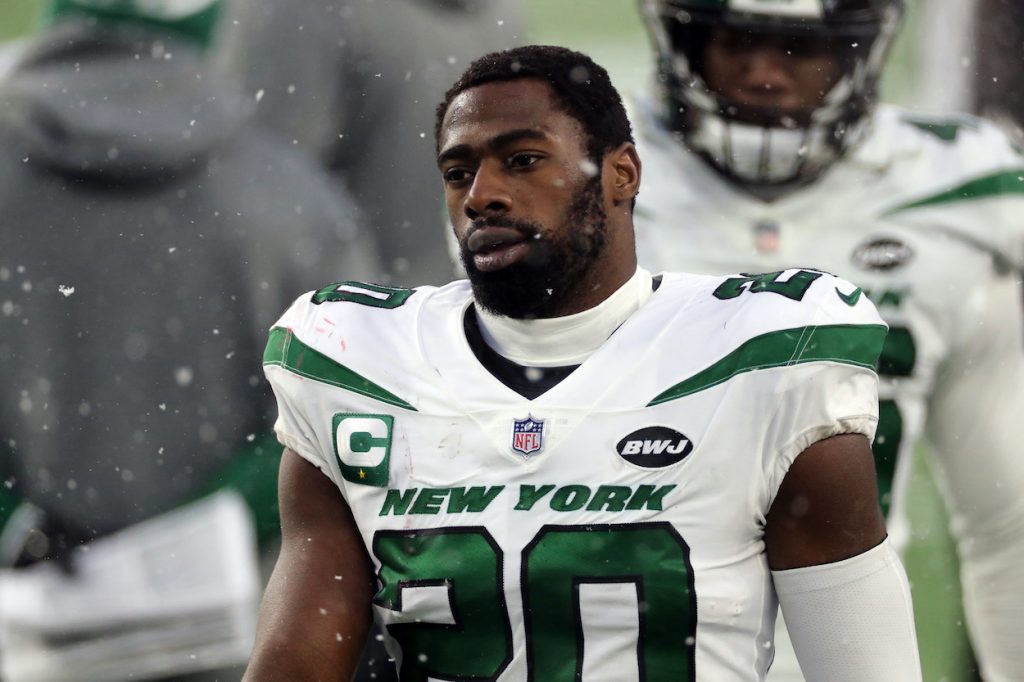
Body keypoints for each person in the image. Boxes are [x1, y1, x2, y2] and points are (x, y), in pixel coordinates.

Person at [244, 44, 921, 681]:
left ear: (621, 173)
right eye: (459, 172)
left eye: (522, 160)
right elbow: (294, 665)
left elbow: (867, 668)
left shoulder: (762, 361)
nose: (482, 195)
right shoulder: (361, 367)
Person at [632, 1, 1024, 680]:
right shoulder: (584, 172)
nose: (764, 75)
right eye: (737, 43)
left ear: (855, 52)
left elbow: (1008, 523)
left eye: (796, 48)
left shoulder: (956, 192)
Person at [0, 0, 377, 679]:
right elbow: (352, 414)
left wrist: (28, 530)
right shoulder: (293, 201)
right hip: (240, 642)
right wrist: (213, 526)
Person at [215, 0, 524, 287]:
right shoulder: (500, 11)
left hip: (343, 325)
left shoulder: (303, 10)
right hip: (445, 319)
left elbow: (255, 206)